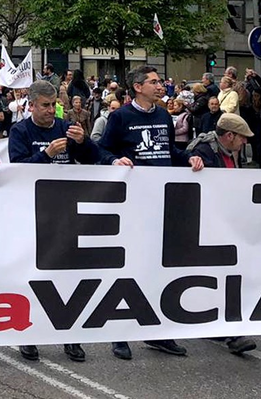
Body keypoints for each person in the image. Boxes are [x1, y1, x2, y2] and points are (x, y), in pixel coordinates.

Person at [98, 65, 193, 360]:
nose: (160, 86)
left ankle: (157, 333)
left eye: (159, 81)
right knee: (130, 269)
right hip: (133, 203)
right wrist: (115, 161)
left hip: (161, 201)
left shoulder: (164, 115)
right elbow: (102, 151)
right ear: (138, 87)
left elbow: (168, 153)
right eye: (153, 82)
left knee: (159, 268)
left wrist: (190, 158)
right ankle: (120, 332)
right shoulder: (120, 117)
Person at [7, 80, 95, 362]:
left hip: (66, 210)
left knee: (67, 276)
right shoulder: (20, 131)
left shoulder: (62, 127)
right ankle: (29, 334)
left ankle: (69, 335)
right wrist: (46, 155)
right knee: (34, 277)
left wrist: (82, 142)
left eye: (54, 104)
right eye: (44, 105)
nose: (51, 110)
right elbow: (17, 169)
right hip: (34, 212)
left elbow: (91, 158)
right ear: (31, 105)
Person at [182, 113, 258, 355]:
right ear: (229, 136)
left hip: (223, 223)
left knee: (225, 275)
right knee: (217, 275)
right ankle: (229, 331)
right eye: (242, 138)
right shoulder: (204, 151)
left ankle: (222, 326)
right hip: (205, 225)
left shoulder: (229, 153)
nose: (245, 143)